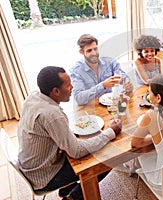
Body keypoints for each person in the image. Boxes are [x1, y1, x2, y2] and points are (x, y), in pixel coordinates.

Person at [17, 66, 122, 200]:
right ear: (55, 91)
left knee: (88, 143)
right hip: (44, 177)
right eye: (68, 85)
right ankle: (72, 197)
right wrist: (111, 132)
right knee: (109, 158)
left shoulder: (34, 97)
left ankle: (66, 187)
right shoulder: (52, 115)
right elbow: (76, 152)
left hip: (31, 165)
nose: (72, 87)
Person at [70, 34, 133, 105]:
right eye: (89, 51)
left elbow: (124, 78)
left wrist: (127, 84)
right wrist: (103, 85)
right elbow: (79, 98)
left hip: (110, 106)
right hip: (90, 108)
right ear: (81, 52)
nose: (94, 53)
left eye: (95, 49)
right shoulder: (77, 71)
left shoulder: (110, 62)